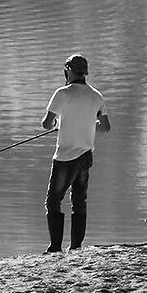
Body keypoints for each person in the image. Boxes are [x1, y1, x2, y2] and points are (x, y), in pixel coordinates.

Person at [40, 53, 110, 253]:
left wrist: (57, 123)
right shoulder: (96, 96)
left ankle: (55, 247)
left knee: (53, 201)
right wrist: (87, 123)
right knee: (79, 200)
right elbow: (105, 127)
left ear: (68, 71)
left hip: (65, 157)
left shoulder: (62, 94)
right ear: (85, 73)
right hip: (85, 155)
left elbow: (46, 124)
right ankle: (76, 247)